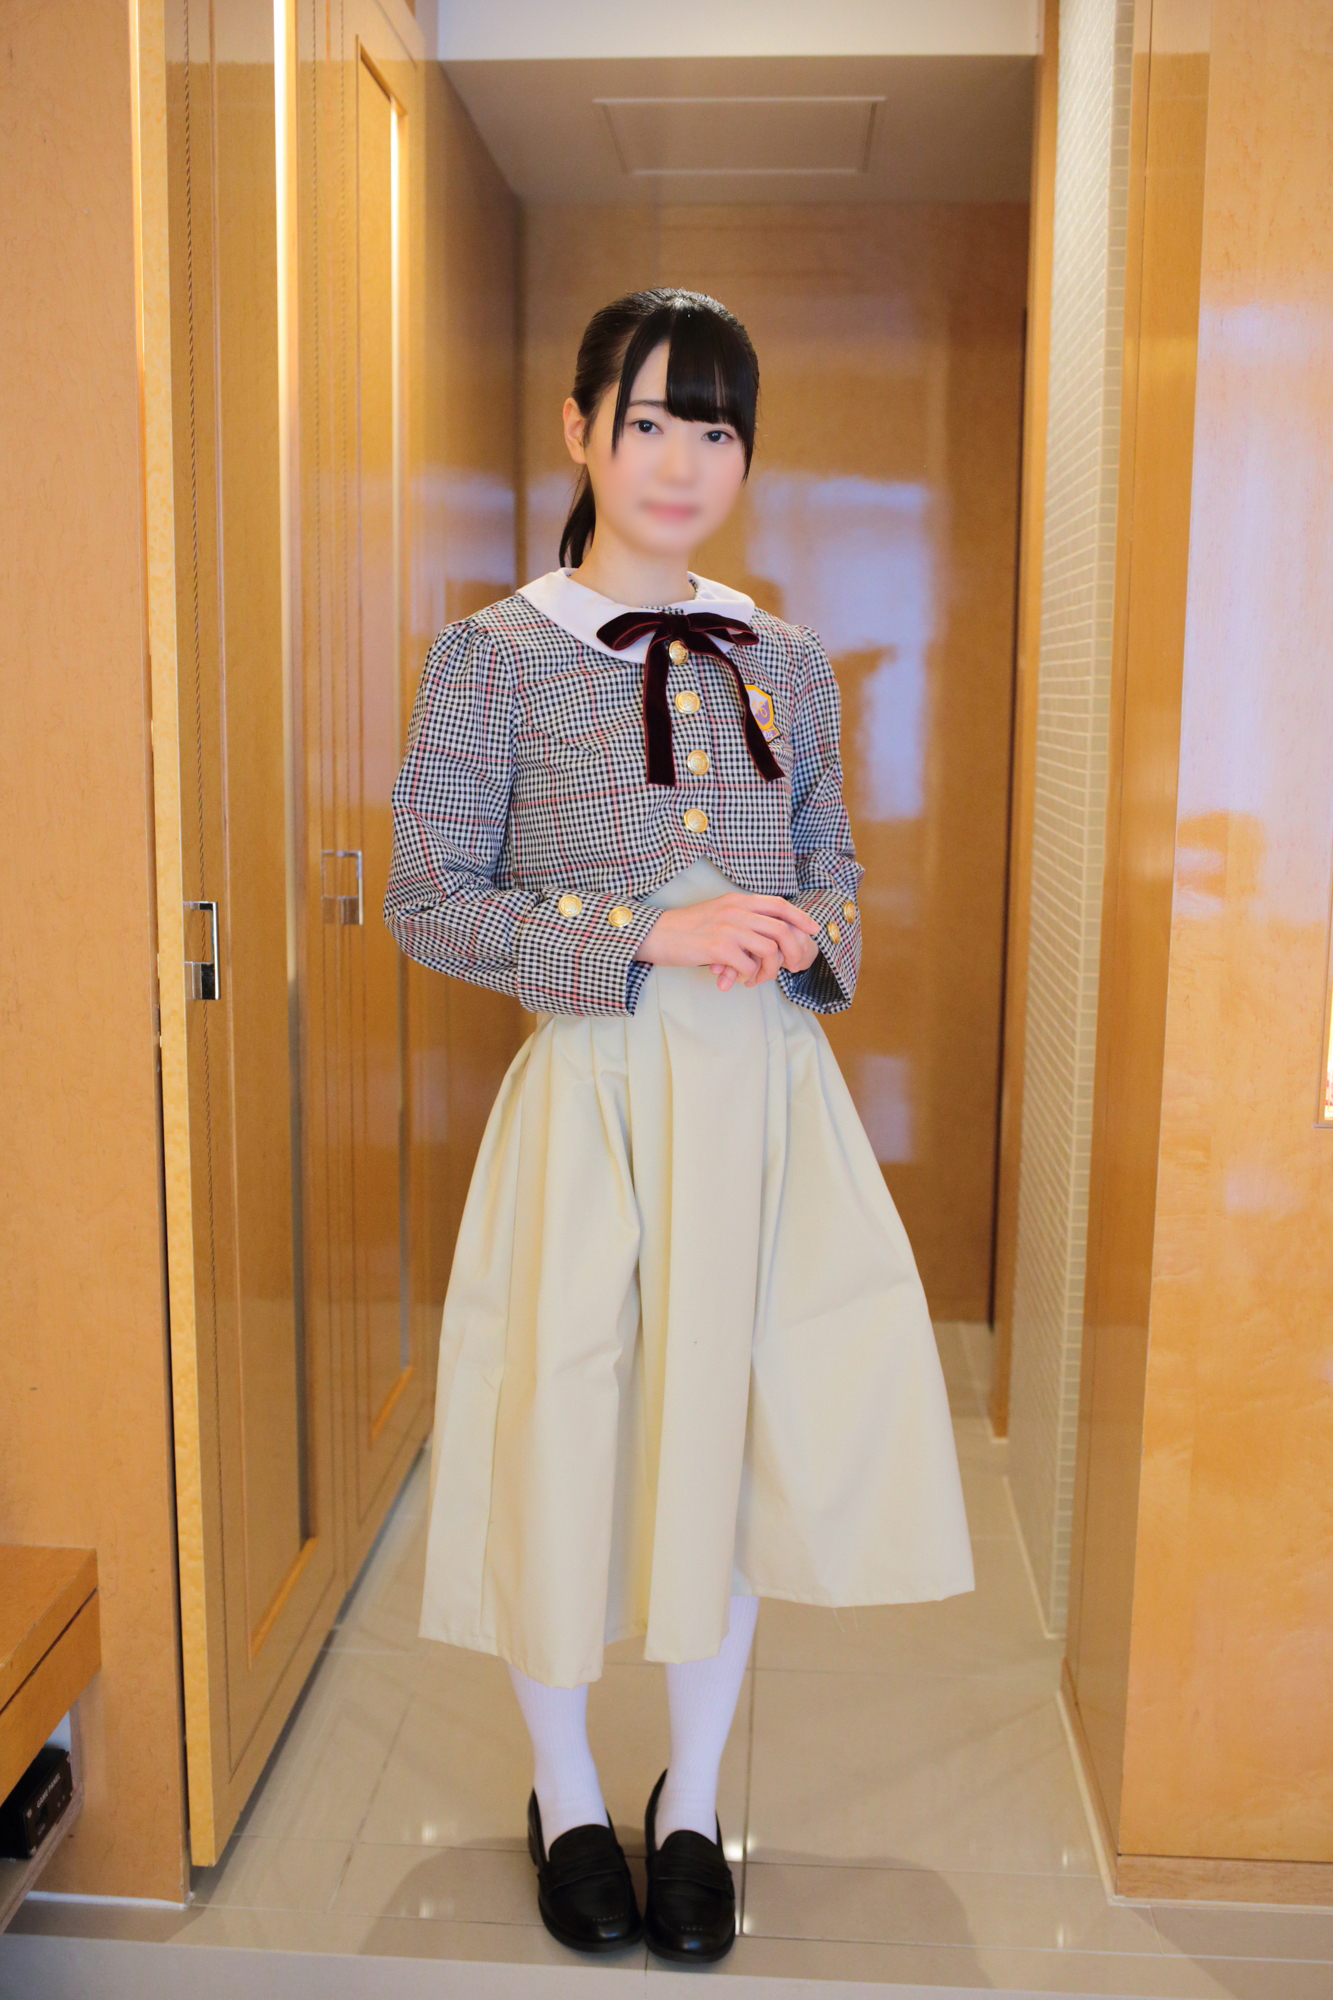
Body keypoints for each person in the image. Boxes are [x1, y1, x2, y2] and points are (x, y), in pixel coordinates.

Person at [383, 287, 974, 1964]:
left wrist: (809, 935)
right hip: (592, 1102)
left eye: (713, 429)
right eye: (646, 421)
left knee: (730, 1440)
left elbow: (834, 861)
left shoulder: (787, 659)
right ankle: (567, 1793)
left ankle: (693, 1802)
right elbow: (427, 899)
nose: (679, 460)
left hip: (765, 1105)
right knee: (564, 1432)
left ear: (743, 456)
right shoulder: (493, 655)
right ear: (579, 430)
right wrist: (641, 932)